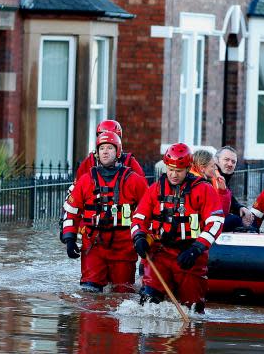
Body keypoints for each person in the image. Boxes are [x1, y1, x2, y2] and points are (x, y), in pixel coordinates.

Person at [131, 143, 224, 312]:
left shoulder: (204, 190)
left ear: (188, 168)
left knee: (193, 309)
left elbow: (216, 222)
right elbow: (139, 218)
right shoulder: (155, 189)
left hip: (190, 256)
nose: (173, 175)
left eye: (179, 171)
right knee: (148, 303)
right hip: (160, 254)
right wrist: (138, 237)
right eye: (170, 169)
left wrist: (197, 248)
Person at [60, 130, 148, 292]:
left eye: (109, 148)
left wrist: (143, 241)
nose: (105, 151)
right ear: (97, 153)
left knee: (122, 294)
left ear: (118, 152)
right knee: (89, 293)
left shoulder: (134, 180)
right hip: (94, 246)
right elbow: (71, 210)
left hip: (124, 249)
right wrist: (69, 237)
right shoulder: (86, 180)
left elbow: (148, 211)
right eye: (102, 148)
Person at [215, 146, 254, 231]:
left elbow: (230, 199)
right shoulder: (212, 177)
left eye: (233, 162)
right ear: (216, 160)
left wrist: (240, 208)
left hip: (215, 220)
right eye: (226, 159)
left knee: (249, 219)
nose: (230, 164)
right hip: (206, 224)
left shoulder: (223, 177)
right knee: (236, 221)